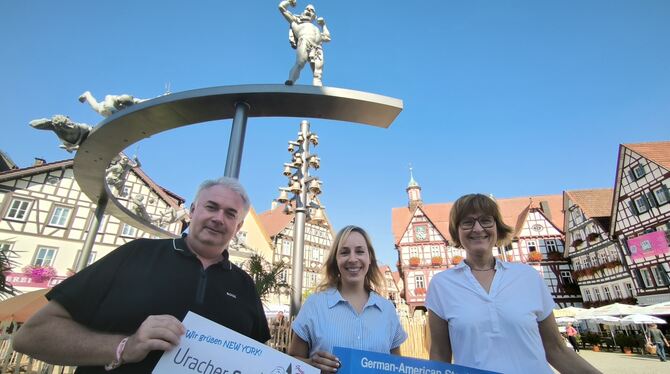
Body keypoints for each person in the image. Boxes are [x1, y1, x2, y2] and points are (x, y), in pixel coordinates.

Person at [13, 177, 271, 373]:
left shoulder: (244, 284)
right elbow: (31, 335)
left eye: (230, 214)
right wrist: (125, 346)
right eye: (211, 207)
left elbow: (259, 361)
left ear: (237, 227)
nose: (218, 218)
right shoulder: (135, 255)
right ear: (192, 211)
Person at [426, 194, 600, 374]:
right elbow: (440, 356)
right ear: (456, 231)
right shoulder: (442, 285)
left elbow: (556, 349)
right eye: (467, 222)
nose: (478, 228)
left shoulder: (528, 277)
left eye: (486, 220)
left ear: (497, 227)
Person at [288, 225, 407, 372]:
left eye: (360, 251)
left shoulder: (387, 310)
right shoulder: (314, 305)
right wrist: (311, 366)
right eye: (344, 252)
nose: (352, 259)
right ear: (335, 260)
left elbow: (396, 367)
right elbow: (291, 362)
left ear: (369, 258)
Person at [278, 0, 331, 86]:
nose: (309, 11)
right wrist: (289, 1)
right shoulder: (296, 21)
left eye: (312, 10)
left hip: (318, 47)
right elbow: (281, 7)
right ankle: (290, 80)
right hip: (305, 41)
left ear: (314, 16)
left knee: (318, 71)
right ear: (303, 12)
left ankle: (317, 87)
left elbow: (327, 37)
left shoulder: (316, 28)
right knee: (300, 62)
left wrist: (323, 25)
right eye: (307, 9)